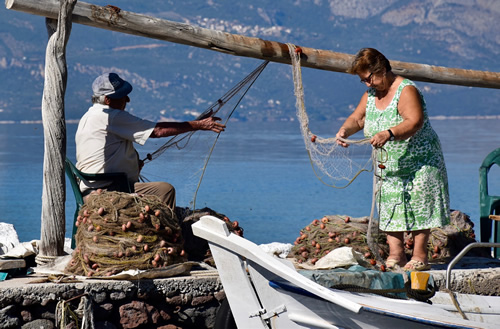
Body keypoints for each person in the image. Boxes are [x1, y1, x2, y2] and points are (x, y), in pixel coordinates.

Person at [336, 48, 450, 271]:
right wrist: (344, 131)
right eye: (363, 81)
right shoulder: (370, 95)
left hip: (420, 161)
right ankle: (396, 255)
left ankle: (419, 256)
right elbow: (357, 119)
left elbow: (414, 121)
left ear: (382, 69)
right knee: (389, 205)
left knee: (419, 206)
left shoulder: (405, 90)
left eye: (368, 78)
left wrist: (388, 133)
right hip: (390, 164)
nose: (367, 84)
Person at [75, 72, 225, 211]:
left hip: (91, 187)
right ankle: (165, 235)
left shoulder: (87, 117)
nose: (127, 100)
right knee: (165, 190)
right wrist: (198, 125)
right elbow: (157, 131)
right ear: (107, 99)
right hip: (107, 190)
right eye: (122, 96)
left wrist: (132, 165)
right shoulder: (110, 116)